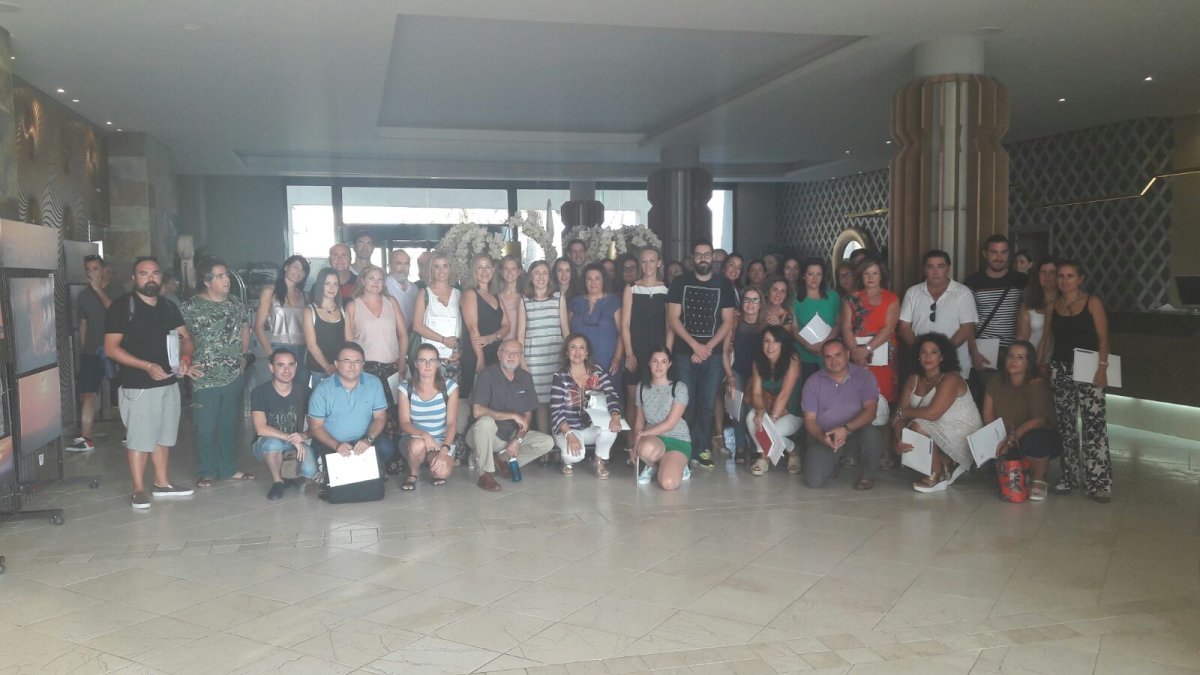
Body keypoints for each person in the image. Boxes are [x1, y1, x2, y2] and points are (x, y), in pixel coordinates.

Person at [104, 256, 197, 509]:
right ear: (134, 279)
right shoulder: (123, 307)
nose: (150, 278)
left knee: (164, 436)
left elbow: (186, 338)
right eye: (144, 273)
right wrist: (146, 366)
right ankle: (138, 489)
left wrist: (185, 357)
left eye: (155, 273)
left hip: (168, 382)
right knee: (140, 438)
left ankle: (162, 483)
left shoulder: (167, 307)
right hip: (139, 385)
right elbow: (111, 349)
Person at [1041, 259, 1113, 502]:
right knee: (1066, 425)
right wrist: (1042, 363)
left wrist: (1102, 367)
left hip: (1089, 366)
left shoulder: (1092, 303)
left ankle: (1098, 482)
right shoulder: (1053, 305)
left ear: (1080, 278)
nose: (1064, 280)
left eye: (1070, 276)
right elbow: (1046, 339)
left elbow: (1103, 338)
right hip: (1060, 368)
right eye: (1061, 276)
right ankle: (1069, 477)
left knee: (1094, 425)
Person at [666, 239, 738, 468]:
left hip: (713, 355)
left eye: (707, 255)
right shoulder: (679, 282)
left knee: (707, 403)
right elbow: (673, 318)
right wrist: (695, 346)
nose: (703, 259)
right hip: (684, 353)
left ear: (712, 258)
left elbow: (728, 321)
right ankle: (684, 449)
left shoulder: (724, 284)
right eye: (698, 255)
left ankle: (702, 448)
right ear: (692, 258)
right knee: (684, 403)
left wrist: (707, 348)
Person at [184, 258, 254, 488]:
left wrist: (243, 356)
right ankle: (206, 471)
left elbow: (245, 329)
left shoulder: (236, 304)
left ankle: (229, 468)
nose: (227, 280)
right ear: (207, 282)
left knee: (229, 425)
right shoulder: (191, 306)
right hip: (204, 377)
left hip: (233, 375)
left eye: (227, 275)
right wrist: (183, 364)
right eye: (220, 276)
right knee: (205, 426)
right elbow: (178, 337)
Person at [894, 333, 983, 493]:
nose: (928, 356)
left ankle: (938, 474)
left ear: (942, 357)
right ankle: (944, 460)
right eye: (923, 352)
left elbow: (932, 414)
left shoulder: (951, 378)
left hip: (964, 433)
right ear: (918, 356)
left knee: (918, 425)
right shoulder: (913, 379)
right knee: (909, 428)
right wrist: (899, 437)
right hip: (937, 426)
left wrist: (905, 413)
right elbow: (898, 415)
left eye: (934, 352)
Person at [467, 339, 555, 491]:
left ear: (521, 357)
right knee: (486, 422)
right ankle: (486, 474)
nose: (511, 356)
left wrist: (518, 439)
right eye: (507, 352)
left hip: (510, 436)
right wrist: (512, 415)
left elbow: (527, 415)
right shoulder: (486, 375)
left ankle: (500, 461)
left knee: (547, 442)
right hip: (483, 435)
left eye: (516, 353)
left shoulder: (525, 377)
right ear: (499, 354)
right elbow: (477, 411)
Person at [344, 265, 409, 470]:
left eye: (380, 279)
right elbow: (349, 344)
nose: (375, 282)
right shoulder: (353, 306)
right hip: (366, 370)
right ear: (362, 280)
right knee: (369, 414)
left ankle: (394, 459)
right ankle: (371, 460)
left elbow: (403, 334)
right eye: (371, 278)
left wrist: (402, 359)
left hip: (391, 367)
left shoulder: (391, 302)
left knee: (393, 414)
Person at [800, 339, 882, 489]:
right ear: (823, 359)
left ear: (848, 354)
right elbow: (810, 420)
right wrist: (821, 437)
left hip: (856, 431)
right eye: (828, 357)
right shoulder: (813, 382)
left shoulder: (865, 377)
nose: (834, 360)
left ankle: (868, 475)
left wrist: (845, 429)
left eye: (838, 355)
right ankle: (833, 462)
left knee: (872, 434)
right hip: (826, 435)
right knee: (814, 482)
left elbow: (871, 412)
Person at [983, 340, 1059, 501]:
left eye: (1020, 357)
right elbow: (988, 414)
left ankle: (1039, 477)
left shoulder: (1036, 384)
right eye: (1010, 356)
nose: (1013, 361)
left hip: (1030, 435)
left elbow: (1038, 420)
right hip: (1005, 435)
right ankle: (1022, 469)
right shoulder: (996, 380)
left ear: (1029, 362)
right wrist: (996, 436)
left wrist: (1013, 436)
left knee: (1034, 440)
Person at [306, 342, 394, 477]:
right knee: (337, 480)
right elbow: (316, 427)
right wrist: (336, 445)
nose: (352, 366)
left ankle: (372, 469)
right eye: (346, 361)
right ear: (336, 364)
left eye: (357, 361)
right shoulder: (322, 390)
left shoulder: (374, 383)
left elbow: (380, 417)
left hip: (363, 439)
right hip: (333, 442)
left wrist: (368, 440)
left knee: (386, 448)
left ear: (363, 364)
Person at [550, 334, 623, 478]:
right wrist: (569, 434)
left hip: (590, 427)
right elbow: (556, 411)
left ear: (587, 352)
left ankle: (599, 460)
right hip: (567, 428)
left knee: (611, 428)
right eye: (573, 348)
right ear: (567, 352)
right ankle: (567, 461)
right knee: (575, 456)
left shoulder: (596, 372)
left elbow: (611, 395)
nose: (577, 352)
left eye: (581, 348)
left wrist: (616, 416)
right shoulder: (560, 377)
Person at [965, 235, 1027, 397]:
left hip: (1014, 348)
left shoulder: (1021, 281)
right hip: (984, 348)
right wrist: (973, 351)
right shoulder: (973, 281)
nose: (999, 258)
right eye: (994, 252)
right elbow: (967, 321)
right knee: (987, 396)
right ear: (985, 254)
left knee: (1013, 398)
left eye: (1003, 252)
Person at [898, 250, 977, 377]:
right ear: (924, 269)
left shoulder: (963, 293)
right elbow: (903, 327)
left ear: (948, 268)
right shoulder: (913, 292)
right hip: (921, 363)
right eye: (930, 267)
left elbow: (967, 328)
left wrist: (943, 353)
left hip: (954, 363)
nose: (935, 272)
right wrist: (923, 351)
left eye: (940, 266)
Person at [251, 348, 317, 500]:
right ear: (271, 368)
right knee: (272, 444)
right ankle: (278, 482)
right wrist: (290, 437)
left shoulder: (305, 391)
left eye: (291, 365)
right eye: (280, 365)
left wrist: (303, 435)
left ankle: (288, 471)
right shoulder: (260, 392)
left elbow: (316, 427)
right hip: (266, 443)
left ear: (296, 367)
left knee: (310, 471)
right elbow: (261, 429)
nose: (286, 370)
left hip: (293, 443)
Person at [622, 247, 670, 433]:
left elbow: (669, 325)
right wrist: (628, 352)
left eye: (652, 261)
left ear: (658, 263)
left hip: (657, 353)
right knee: (633, 398)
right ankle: (631, 446)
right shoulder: (632, 288)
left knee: (655, 399)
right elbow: (625, 324)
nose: (648, 265)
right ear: (640, 264)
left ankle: (651, 443)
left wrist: (666, 355)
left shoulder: (666, 289)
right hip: (636, 351)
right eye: (644, 261)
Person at [68, 254, 113, 452]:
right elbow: (83, 324)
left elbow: (115, 311)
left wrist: (98, 290)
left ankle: (133, 433)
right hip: (92, 351)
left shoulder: (116, 290)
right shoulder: (84, 296)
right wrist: (84, 349)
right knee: (88, 393)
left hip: (116, 349)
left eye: (95, 268)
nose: (91, 273)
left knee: (125, 392)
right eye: (88, 269)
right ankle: (86, 438)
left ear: (103, 270)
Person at [397, 344, 458, 490]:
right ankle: (413, 472)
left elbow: (451, 424)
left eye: (432, 360)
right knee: (418, 445)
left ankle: (431, 462)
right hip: (415, 439)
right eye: (423, 360)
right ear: (416, 364)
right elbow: (404, 423)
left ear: (438, 364)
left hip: (440, 442)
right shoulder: (406, 388)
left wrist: (444, 450)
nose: (428, 364)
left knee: (442, 472)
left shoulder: (450, 387)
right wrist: (424, 435)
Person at [841, 254, 899, 404]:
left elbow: (889, 329)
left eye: (875, 273)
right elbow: (846, 327)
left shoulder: (891, 298)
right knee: (858, 395)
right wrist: (856, 352)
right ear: (861, 275)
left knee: (883, 395)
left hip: (883, 353)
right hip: (856, 353)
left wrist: (866, 350)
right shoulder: (851, 298)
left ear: (881, 276)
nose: (870, 277)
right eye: (866, 273)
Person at [746, 325, 803, 476]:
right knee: (751, 418)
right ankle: (789, 449)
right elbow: (756, 393)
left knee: (770, 432)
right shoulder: (758, 361)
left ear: (782, 344)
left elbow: (785, 394)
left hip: (791, 411)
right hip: (768, 406)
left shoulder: (792, 359)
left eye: (775, 341)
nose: (770, 346)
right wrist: (760, 410)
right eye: (766, 341)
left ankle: (766, 456)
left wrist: (770, 421)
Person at [632, 346, 691, 490]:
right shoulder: (641, 387)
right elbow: (639, 421)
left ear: (669, 364)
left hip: (677, 439)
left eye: (664, 362)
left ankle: (679, 465)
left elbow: (670, 423)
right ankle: (655, 465)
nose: (659, 366)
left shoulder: (679, 387)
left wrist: (643, 434)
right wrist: (635, 445)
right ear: (649, 363)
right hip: (654, 440)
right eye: (655, 361)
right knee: (644, 448)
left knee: (668, 483)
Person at [518, 260, 565, 435]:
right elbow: (520, 333)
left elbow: (565, 328)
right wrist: (522, 360)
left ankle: (559, 446)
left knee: (557, 401)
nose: (541, 277)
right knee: (540, 404)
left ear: (549, 277)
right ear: (530, 276)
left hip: (555, 355)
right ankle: (546, 447)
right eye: (536, 273)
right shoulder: (524, 300)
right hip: (534, 358)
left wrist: (568, 357)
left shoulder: (558, 298)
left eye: (544, 273)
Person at [255, 254, 310, 386]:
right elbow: (258, 327)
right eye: (295, 267)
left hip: (302, 349)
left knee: (301, 389)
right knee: (281, 388)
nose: (298, 272)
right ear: (286, 267)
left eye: (303, 270)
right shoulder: (270, 291)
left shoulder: (305, 295)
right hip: (279, 347)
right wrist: (270, 352)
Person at [565, 262, 623, 385]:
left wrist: (617, 359)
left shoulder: (613, 301)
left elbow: (622, 333)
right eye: (589, 279)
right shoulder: (575, 302)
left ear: (604, 280)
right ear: (584, 281)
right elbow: (566, 331)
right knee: (579, 398)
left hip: (608, 360)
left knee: (609, 399)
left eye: (597, 278)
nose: (593, 282)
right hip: (579, 361)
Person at [460, 253, 509, 398]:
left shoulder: (496, 296)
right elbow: (472, 329)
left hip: (496, 353)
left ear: (493, 270)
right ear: (473, 271)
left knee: (493, 397)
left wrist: (492, 338)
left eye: (487, 267)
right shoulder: (470, 293)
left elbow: (507, 325)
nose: (484, 271)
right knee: (474, 397)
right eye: (479, 267)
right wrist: (480, 359)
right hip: (476, 354)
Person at [724, 287, 763, 464]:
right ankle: (740, 446)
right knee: (737, 408)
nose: (751, 304)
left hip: (759, 374)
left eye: (755, 300)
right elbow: (725, 351)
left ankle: (756, 447)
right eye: (747, 299)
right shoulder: (734, 323)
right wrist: (729, 376)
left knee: (754, 409)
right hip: (737, 370)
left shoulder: (765, 325)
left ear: (761, 304)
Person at [411, 252, 462, 378]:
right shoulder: (424, 293)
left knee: (452, 393)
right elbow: (417, 326)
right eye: (436, 267)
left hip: (453, 355)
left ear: (450, 269)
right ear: (431, 270)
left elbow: (465, 326)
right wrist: (444, 340)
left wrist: (461, 350)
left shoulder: (459, 293)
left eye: (445, 266)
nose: (441, 271)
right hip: (429, 356)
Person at [792, 258, 842, 381]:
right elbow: (793, 328)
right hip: (804, 354)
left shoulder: (833, 297)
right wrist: (808, 345)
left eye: (818, 274)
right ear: (804, 276)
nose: (814, 278)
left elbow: (838, 323)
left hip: (830, 354)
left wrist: (827, 343)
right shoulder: (794, 298)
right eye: (810, 274)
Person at [303, 268, 352, 389]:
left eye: (335, 284)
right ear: (320, 285)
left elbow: (349, 341)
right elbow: (312, 346)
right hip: (319, 370)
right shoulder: (309, 311)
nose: (332, 288)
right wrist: (328, 367)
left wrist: (344, 364)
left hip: (342, 368)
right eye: (327, 283)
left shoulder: (343, 310)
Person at [1016, 257, 1058, 365]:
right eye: (1043, 271)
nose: (1047, 276)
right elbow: (1022, 338)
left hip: (1057, 360)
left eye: (1052, 272)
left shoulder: (1063, 303)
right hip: (1032, 360)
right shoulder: (1029, 304)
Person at [385, 249, 420, 332]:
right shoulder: (383, 285)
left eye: (406, 264)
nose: (403, 268)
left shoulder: (415, 289)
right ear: (389, 266)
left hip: (410, 334)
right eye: (399, 263)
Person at [497, 255, 523, 342]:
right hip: (499, 346)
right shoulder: (495, 297)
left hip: (519, 346)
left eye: (513, 269)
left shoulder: (524, 297)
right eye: (506, 269)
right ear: (501, 272)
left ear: (519, 272)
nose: (509, 272)